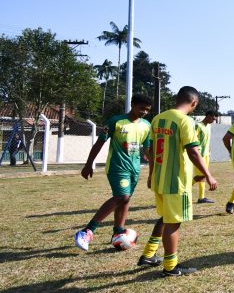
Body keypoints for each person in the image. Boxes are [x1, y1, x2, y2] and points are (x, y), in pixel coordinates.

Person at [140, 86, 218, 276]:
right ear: (194, 103)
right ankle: (170, 267)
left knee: (165, 217)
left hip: (159, 178)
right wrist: (208, 174)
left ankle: (148, 254)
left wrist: (151, 174)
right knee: (173, 222)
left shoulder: (158, 118)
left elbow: (149, 150)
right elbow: (193, 151)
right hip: (176, 182)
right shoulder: (185, 121)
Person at [74, 94, 152, 254]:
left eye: (147, 110)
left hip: (134, 169)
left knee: (125, 200)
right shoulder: (115, 121)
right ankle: (87, 231)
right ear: (133, 105)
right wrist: (89, 164)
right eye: (141, 108)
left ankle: (118, 231)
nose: (144, 112)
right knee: (121, 197)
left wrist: (152, 172)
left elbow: (147, 150)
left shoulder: (146, 125)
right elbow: (99, 143)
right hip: (117, 168)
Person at [193, 110, 217, 204]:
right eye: (212, 119)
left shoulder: (209, 126)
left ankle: (201, 197)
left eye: (214, 120)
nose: (213, 121)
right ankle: (182, 192)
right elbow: (193, 139)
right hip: (199, 155)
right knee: (200, 175)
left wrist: (209, 150)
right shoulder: (198, 126)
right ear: (207, 116)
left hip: (206, 154)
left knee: (202, 176)